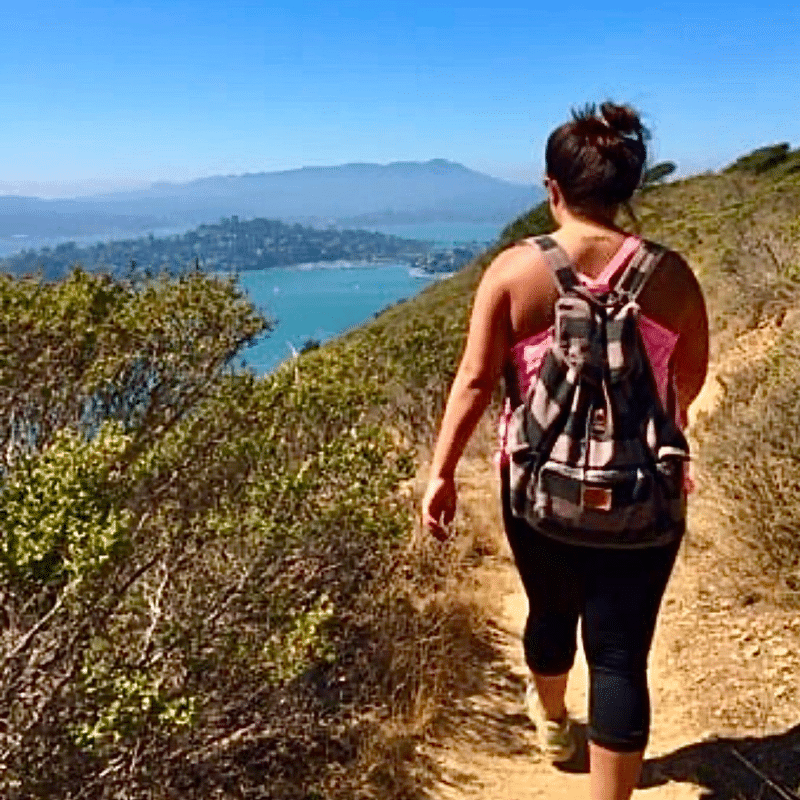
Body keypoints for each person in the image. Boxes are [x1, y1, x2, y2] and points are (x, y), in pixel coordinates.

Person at [421, 102, 708, 800]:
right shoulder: (672, 276)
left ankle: (552, 721)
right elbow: (687, 382)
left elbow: (475, 381)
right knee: (618, 655)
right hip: (645, 495)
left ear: (552, 187)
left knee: (551, 615)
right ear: (627, 191)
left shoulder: (515, 272)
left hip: (537, 491)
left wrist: (441, 475)